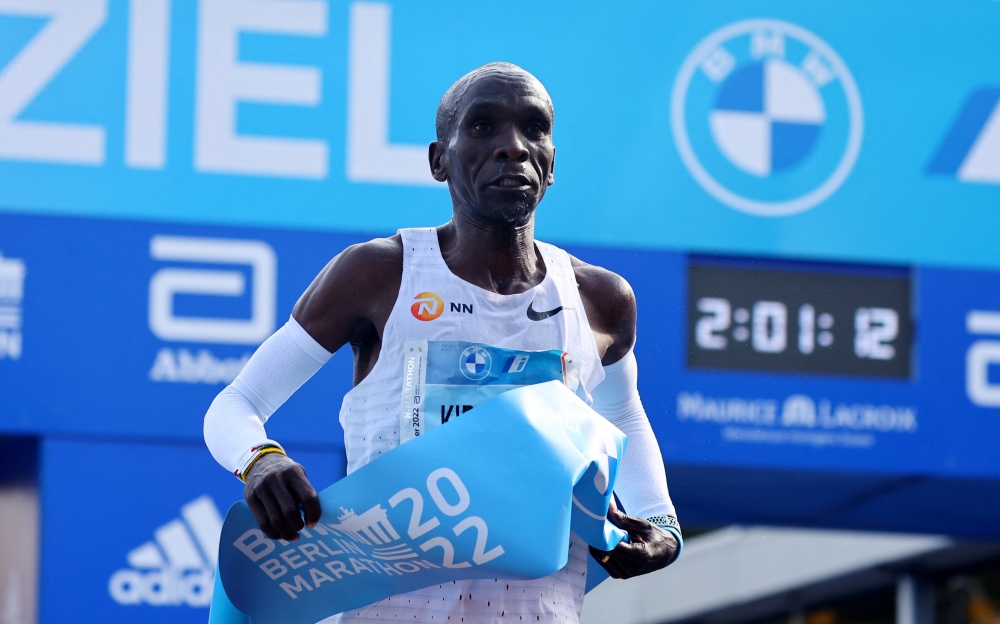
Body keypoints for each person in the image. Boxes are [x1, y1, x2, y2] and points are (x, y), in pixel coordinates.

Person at [204, 62, 680, 622]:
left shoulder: (600, 299)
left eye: (534, 128)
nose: (513, 147)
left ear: (552, 164)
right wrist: (259, 461)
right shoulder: (380, 274)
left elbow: (624, 418)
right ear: (439, 160)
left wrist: (663, 527)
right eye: (482, 128)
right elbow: (235, 404)